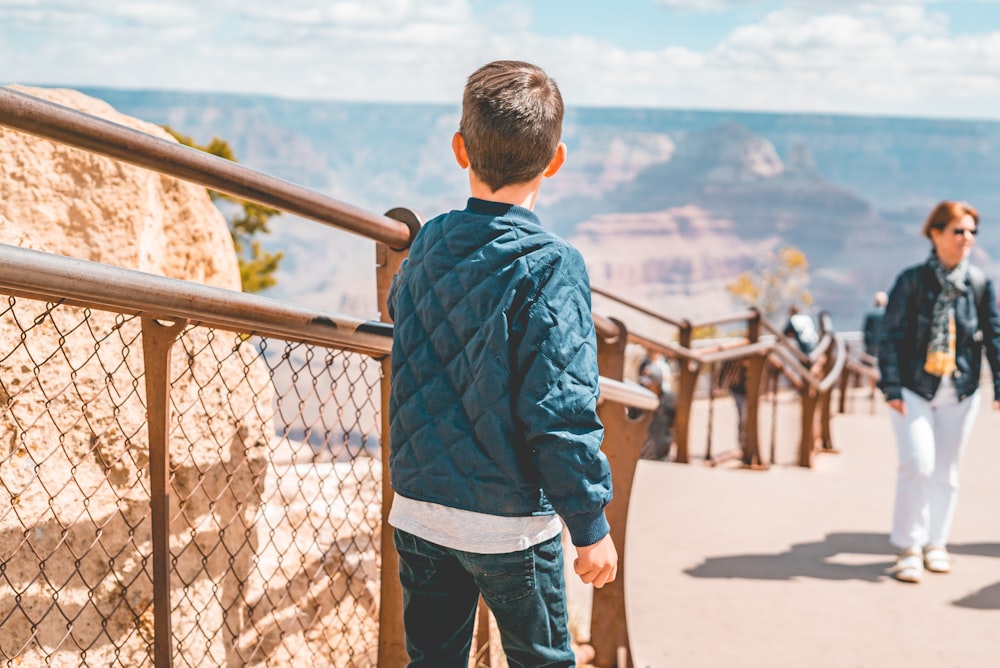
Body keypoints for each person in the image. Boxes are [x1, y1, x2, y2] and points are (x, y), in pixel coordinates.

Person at [386, 60, 617, 666]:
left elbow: (401, 312)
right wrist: (589, 526)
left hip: (419, 506)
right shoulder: (552, 265)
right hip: (508, 523)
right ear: (556, 159)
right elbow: (562, 410)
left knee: (432, 659)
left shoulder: (430, 239)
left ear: (461, 149)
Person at [878, 200, 1000, 584]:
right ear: (935, 234)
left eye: (971, 232)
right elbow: (890, 335)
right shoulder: (911, 280)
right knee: (918, 463)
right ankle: (909, 547)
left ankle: (936, 543)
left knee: (946, 472)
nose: (967, 239)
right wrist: (892, 386)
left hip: (960, 390)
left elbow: (993, 336)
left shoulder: (978, 283)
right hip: (915, 387)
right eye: (958, 231)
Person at [638, 356, 676, 461]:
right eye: (643, 376)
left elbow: (675, 425)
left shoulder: (669, 400)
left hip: (662, 454)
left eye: (649, 377)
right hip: (641, 455)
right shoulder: (637, 401)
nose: (644, 380)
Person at [861, 291, 888, 360]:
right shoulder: (889, 316)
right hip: (885, 349)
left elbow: (866, 333)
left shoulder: (870, 316)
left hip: (872, 350)